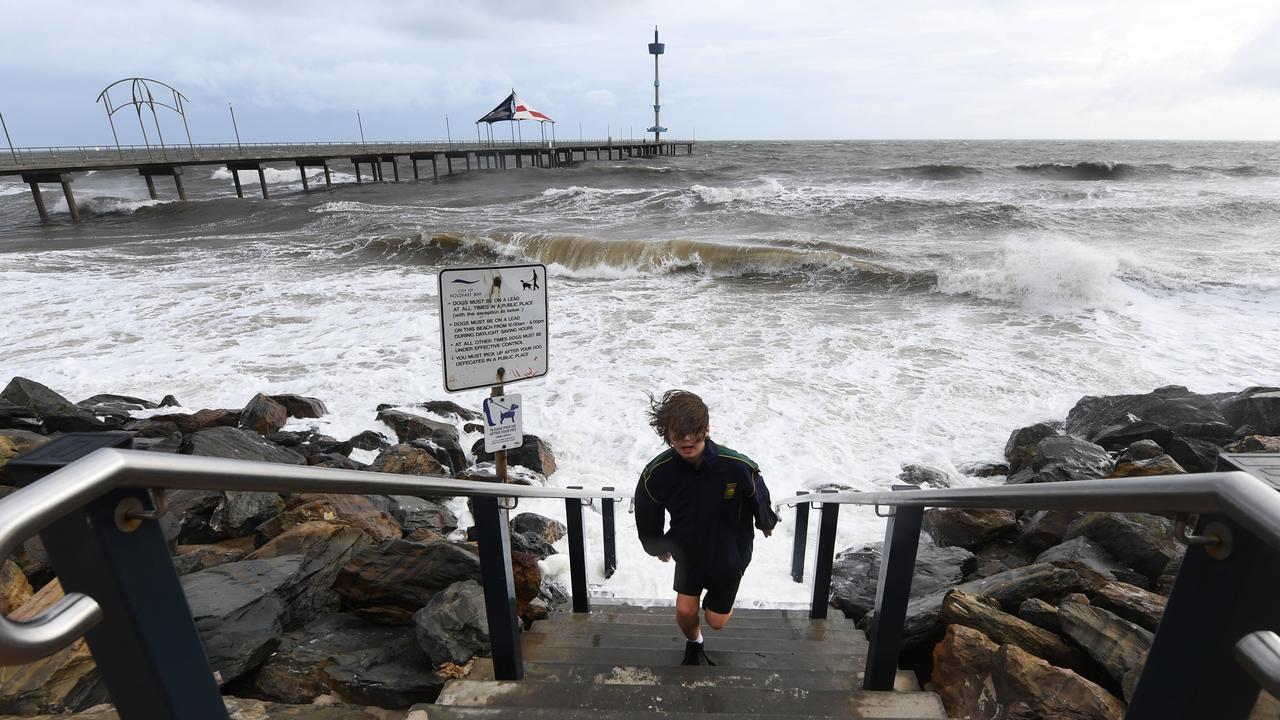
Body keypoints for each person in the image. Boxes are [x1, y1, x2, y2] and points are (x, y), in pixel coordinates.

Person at [634, 390, 779, 666]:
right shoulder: (658, 472)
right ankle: (694, 642)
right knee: (685, 613)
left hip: (729, 554)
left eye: (694, 431)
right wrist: (656, 546)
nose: (687, 439)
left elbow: (757, 493)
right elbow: (646, 507)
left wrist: (765, 522)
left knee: (716, 620)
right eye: (679, 433)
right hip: (688, 552)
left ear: (707, 428)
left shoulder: (735, 466)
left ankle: (715, 602)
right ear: (667, 433)